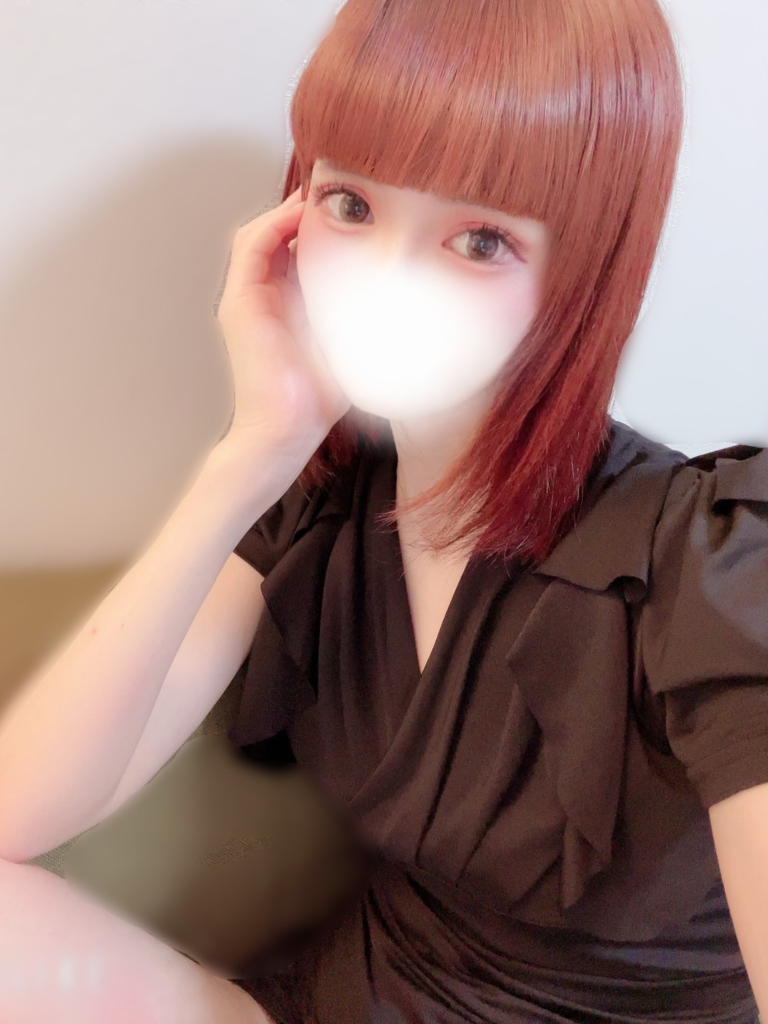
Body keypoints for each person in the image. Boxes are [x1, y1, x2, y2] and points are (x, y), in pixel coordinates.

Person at [0, 0, 766, 1022]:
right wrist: (253, 449)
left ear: (583, 274)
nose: (384, 277)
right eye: (350, 204)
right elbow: (19, 814)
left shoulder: (711, 560)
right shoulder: (318, 503)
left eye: (481, 239)